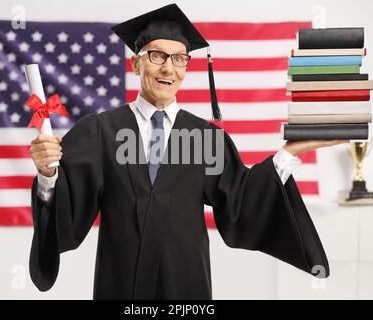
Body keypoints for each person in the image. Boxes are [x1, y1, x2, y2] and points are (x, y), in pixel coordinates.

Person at [29, 3, 347, 299]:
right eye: (157, 56)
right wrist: (47, 173)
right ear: (135, 63)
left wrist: (288, 153)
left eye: (179, 58)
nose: (169, 68)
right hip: (121, 287)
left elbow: (243, 200)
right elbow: (65, 207)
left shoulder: (205, 137)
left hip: (187, 291)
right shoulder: (99, 131)